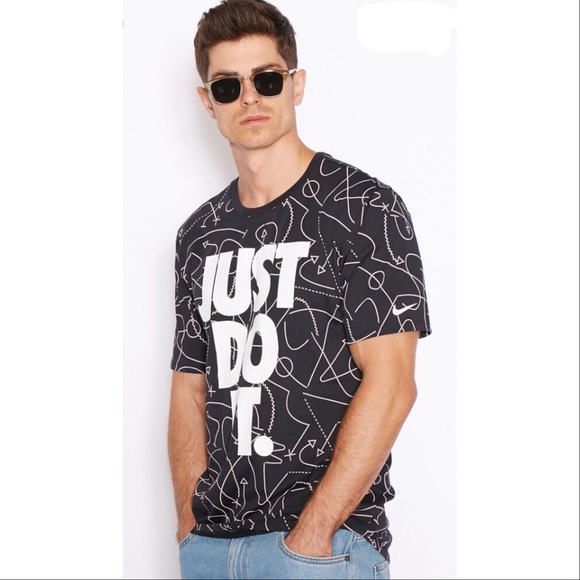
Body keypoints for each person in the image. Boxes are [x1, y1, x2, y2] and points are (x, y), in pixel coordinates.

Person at [168, 0, 431, 578]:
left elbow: (392, 384)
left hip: (320, 550)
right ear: (208, 102)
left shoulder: (363, 208)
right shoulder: (198, 235)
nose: (250, 98)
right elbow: (189, 387)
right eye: (228, 86)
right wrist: (189, 524)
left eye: (266, 79)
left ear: (297, 84)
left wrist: (312, 536)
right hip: (210, 551)